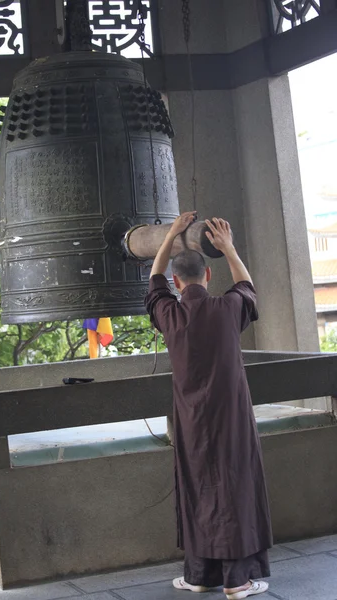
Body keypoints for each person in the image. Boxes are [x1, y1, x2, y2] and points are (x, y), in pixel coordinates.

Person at [144, 213, 273, 600]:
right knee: (235, 488)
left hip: (191, 422)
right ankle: (238, 580)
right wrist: (229, 247)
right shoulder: (228, 310)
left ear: (177, 283)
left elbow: (154, 281)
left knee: (198, 488)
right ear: (209, 277)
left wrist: (169, 237)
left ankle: (201, 576)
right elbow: (246, 285)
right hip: (231, 418)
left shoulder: (169, 313)